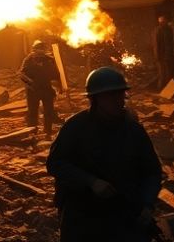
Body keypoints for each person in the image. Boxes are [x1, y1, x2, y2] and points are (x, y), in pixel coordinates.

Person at [47, 66, 161, 242]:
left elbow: (152, 171)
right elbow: (55, 163)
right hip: (83, 210)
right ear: (95, 99)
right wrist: (91, 181)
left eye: (121, 95)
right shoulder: (76, 127)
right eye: (111, 96)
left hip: (124, 210)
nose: (118, 101)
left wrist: (147, 204)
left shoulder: (133, 130)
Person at [19, 40, 61, 137]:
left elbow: (56, 74)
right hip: (33, 90)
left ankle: (48, 132)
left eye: (42, 48)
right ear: (34, 49)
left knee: (48, 111)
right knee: (32, 112)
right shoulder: (28, 60)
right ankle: (32, 132)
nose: (40, 50)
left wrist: (59, 84)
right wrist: (30, 83)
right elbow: (22, 74)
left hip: (46, 88)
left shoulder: (49, 60)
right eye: (38, 48)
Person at [152, 16, 174, 89]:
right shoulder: (161, 30)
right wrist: (158, 56)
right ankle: (165, 89)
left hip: (165, 56)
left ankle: (166, 88)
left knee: (165, 73)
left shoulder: (165, 30)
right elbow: (157, 44)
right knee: (164, 73)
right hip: (163, 56)